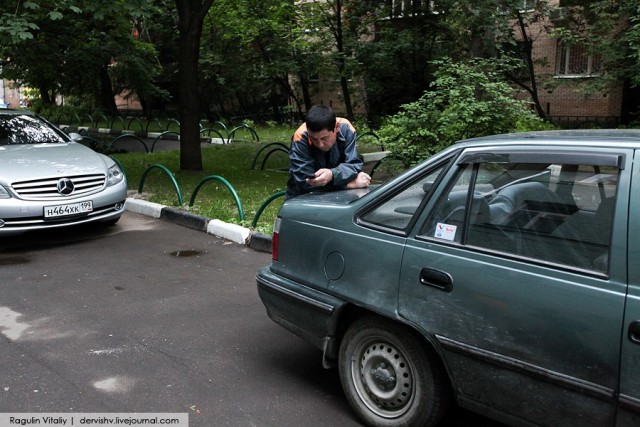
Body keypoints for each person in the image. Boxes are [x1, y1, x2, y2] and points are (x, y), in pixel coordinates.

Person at [286, 105, 371, 198]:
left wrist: (332, 174)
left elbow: (354, 164)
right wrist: (348, 185)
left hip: (340, 197)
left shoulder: (346, 128)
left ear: (336, 127)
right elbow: (304, 183)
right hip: (303, 198)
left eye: (324, 138)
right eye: (313, 139)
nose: (320, 144)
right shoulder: (300, 137)